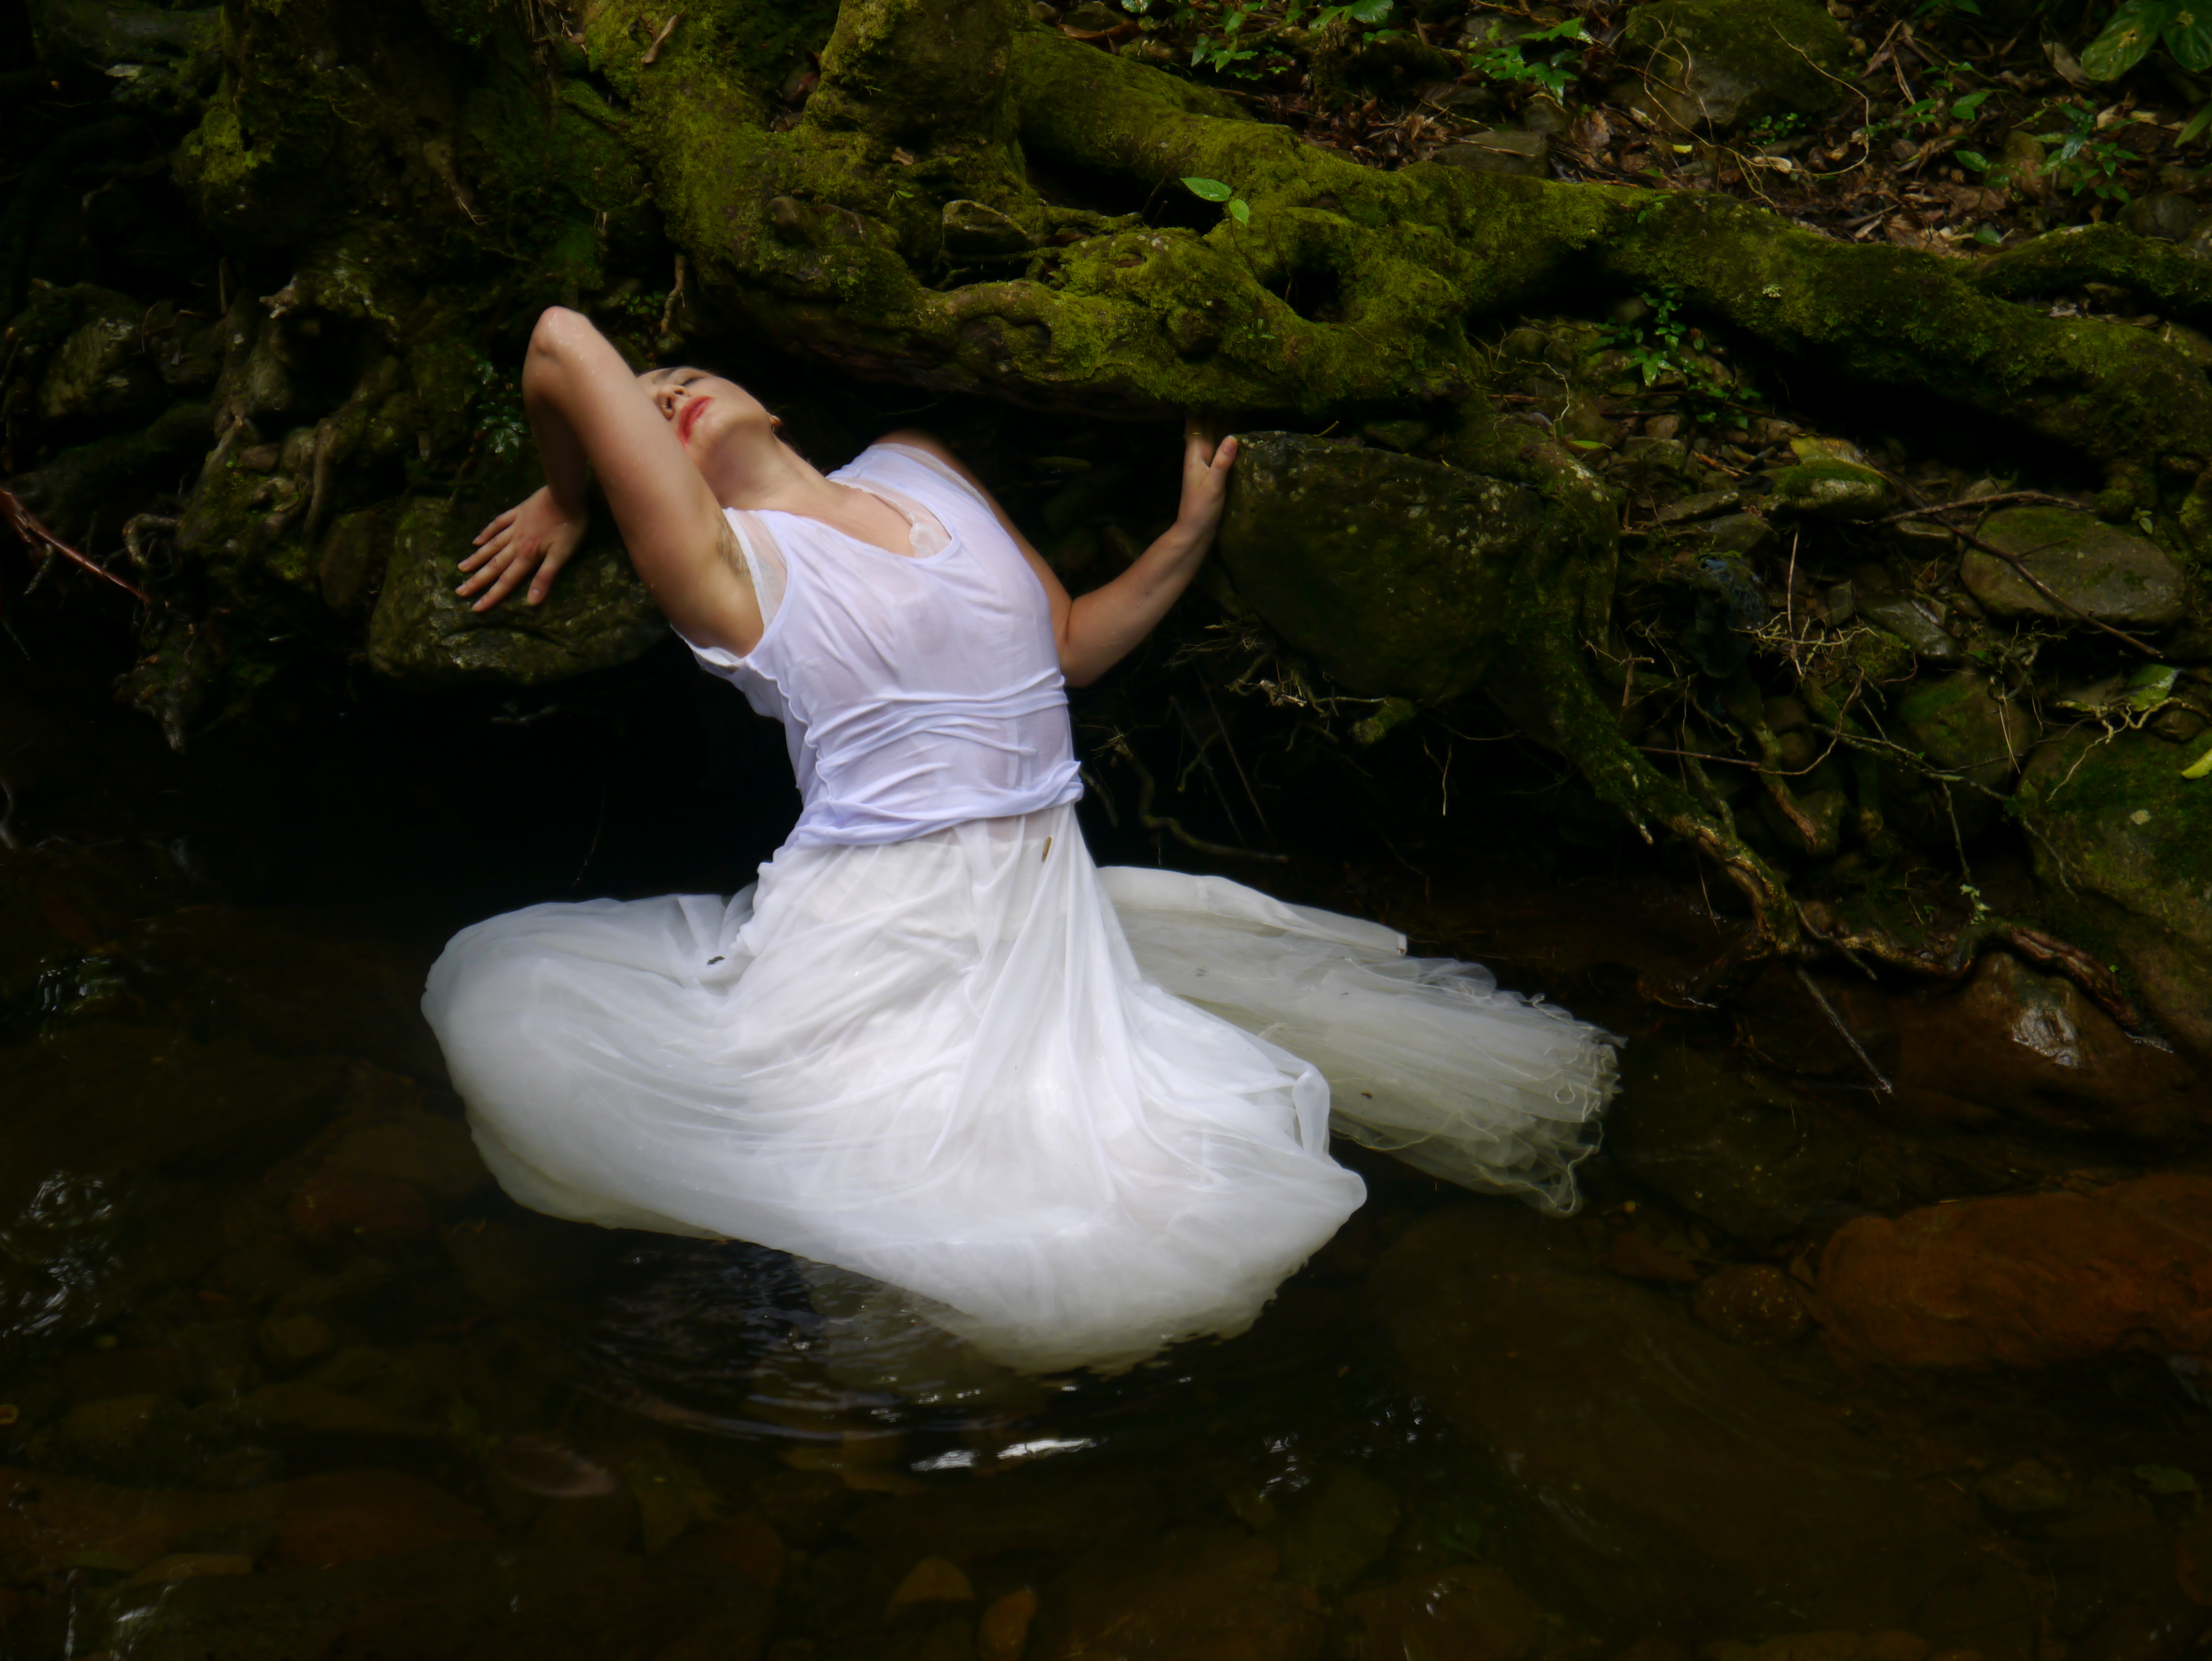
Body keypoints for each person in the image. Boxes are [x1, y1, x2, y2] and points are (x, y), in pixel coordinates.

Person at [421, 306, 1619, 1375]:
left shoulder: (918, 463)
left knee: (1100, 1174)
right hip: (878, 935)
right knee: (964, 1213)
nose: (666, 393)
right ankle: (866, 1410)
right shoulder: (721, 568)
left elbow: (1068, 645)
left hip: (1045, 908)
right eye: (643, 408)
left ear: (772, 405)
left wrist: (1190, 528)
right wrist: (570, 496)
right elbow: (560, 339)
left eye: (683, 375)